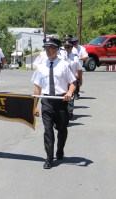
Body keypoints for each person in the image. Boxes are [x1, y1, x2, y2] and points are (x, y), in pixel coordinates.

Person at [31, 37, 76, 169]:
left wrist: (69, 93)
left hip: (61, 101)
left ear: (56, 49)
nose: (48, 51)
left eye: (50, 48)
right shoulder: (40, 67)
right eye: (46, 48)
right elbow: (37, 88)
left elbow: (73, 83)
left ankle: (60, 149)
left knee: (62, 129)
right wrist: (34, 106)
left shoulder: (64, 65)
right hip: (47, 101)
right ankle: (49, 158)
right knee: (48, 130)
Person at [64, 40, 83, 120]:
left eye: (68, 47)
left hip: (72, 80)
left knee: (70, 95)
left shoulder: (75, 57)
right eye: (65, 47)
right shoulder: (61, 57)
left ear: (72, 48)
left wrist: (80, 78)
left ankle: (70, 111)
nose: (67, 49)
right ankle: (64, 111)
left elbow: (79, 69)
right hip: (63, 80)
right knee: (63, 96)